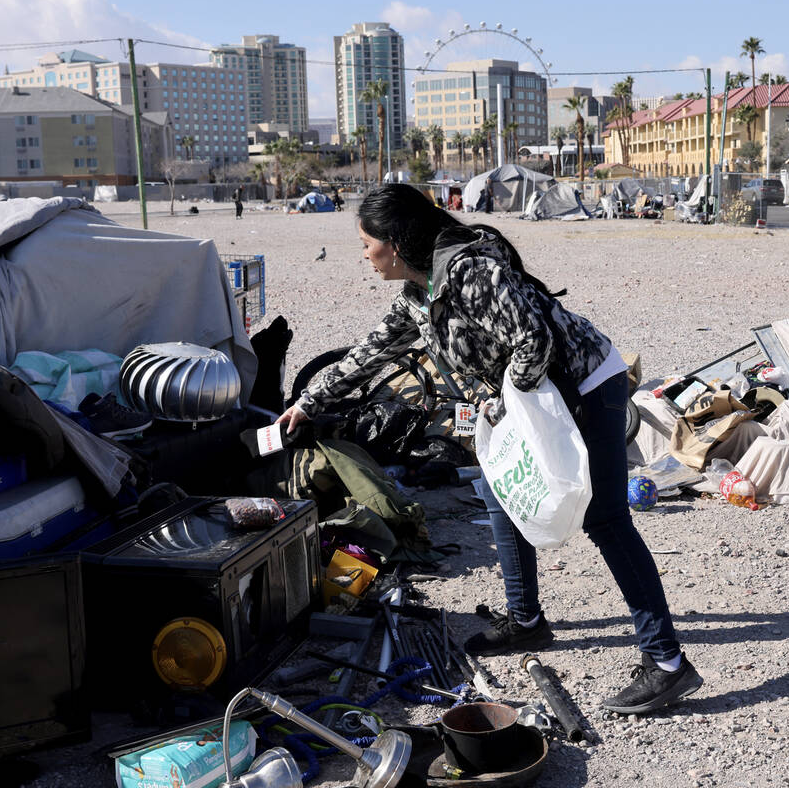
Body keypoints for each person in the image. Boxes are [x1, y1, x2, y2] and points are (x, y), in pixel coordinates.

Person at [278, 184, 702, 715]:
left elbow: (534, 340)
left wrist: (507, 403)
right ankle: (526, 623)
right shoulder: (418, 292)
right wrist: (310, 402)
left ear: (398, 241)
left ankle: (667, 663)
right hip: (536, 395)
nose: (364, 255)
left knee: (607, 518)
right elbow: (371, 350)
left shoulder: (471, 272)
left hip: (586, 385)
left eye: (368, 243)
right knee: (498, 492)